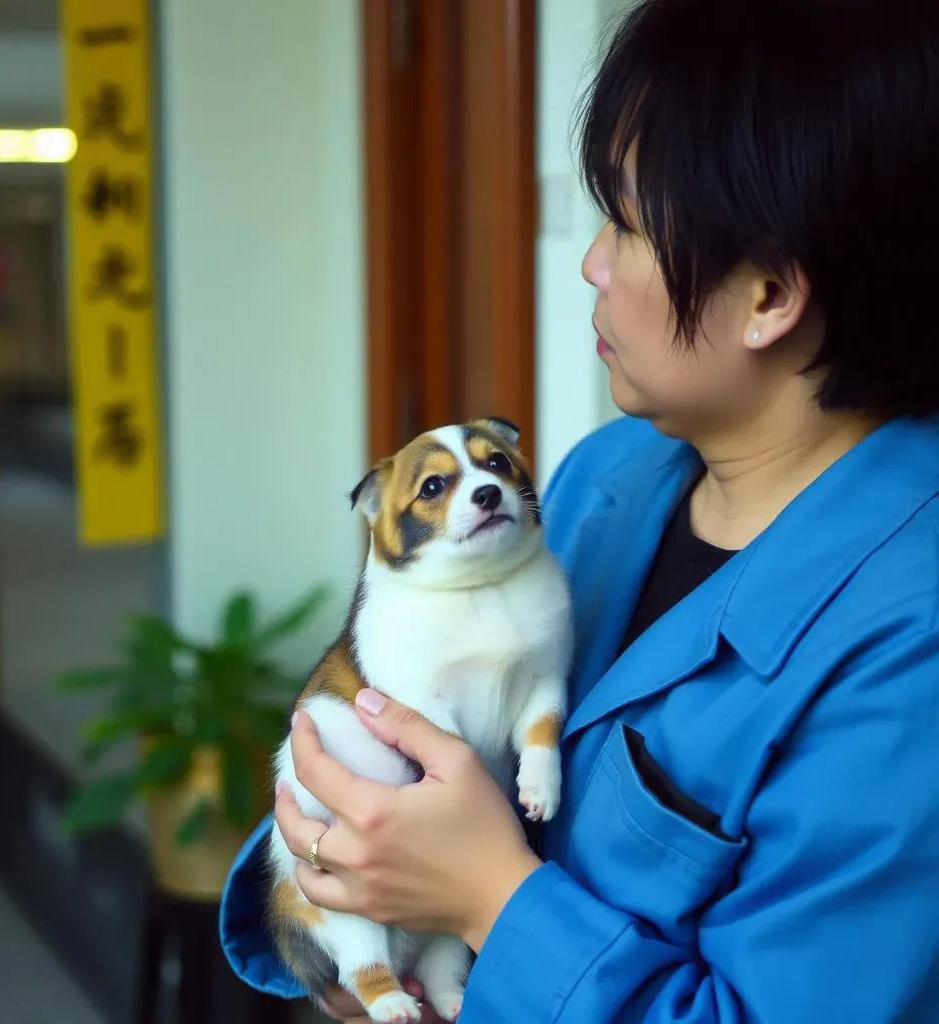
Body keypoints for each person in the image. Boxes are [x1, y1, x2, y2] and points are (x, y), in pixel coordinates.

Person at [219, 0, 939, 1019]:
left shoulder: (909, 641)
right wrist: (353, 893)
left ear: (771, 294)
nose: (591, 262)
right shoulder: (607, 476)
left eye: (628, 224)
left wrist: (485, 900)